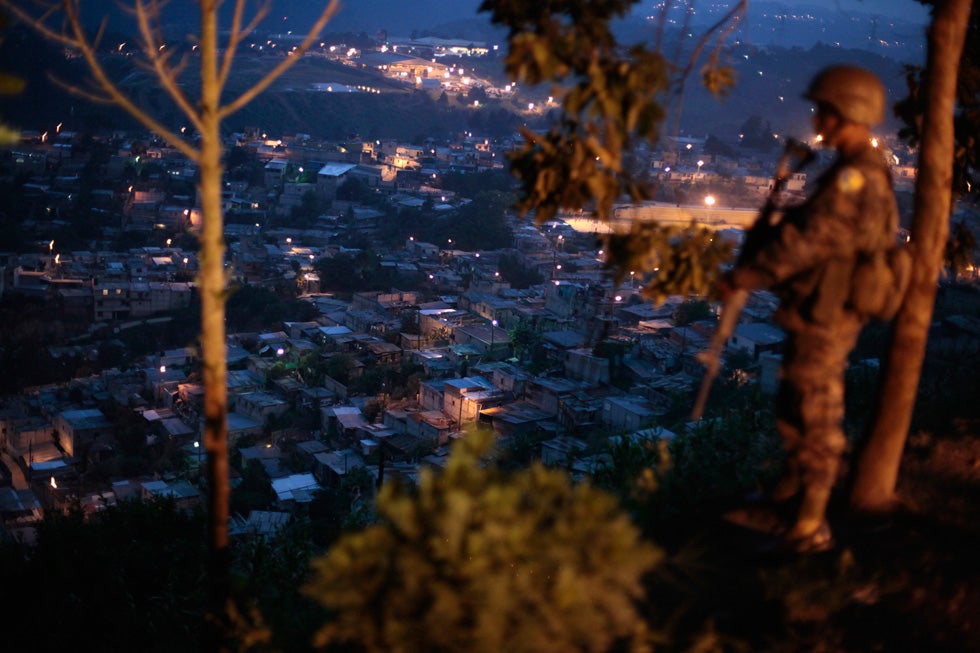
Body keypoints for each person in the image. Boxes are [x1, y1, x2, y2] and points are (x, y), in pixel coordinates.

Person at [721, 65, 900, 552]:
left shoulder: (855, 179)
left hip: (829, 312)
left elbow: (808, 242)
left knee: (815, 409)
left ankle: (809, 522)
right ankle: (794, 492)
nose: (818, 116)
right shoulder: (854, 170)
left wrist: (745, 276)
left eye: (825, 109)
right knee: (795, 400)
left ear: (848, 112)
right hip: (820, 307)